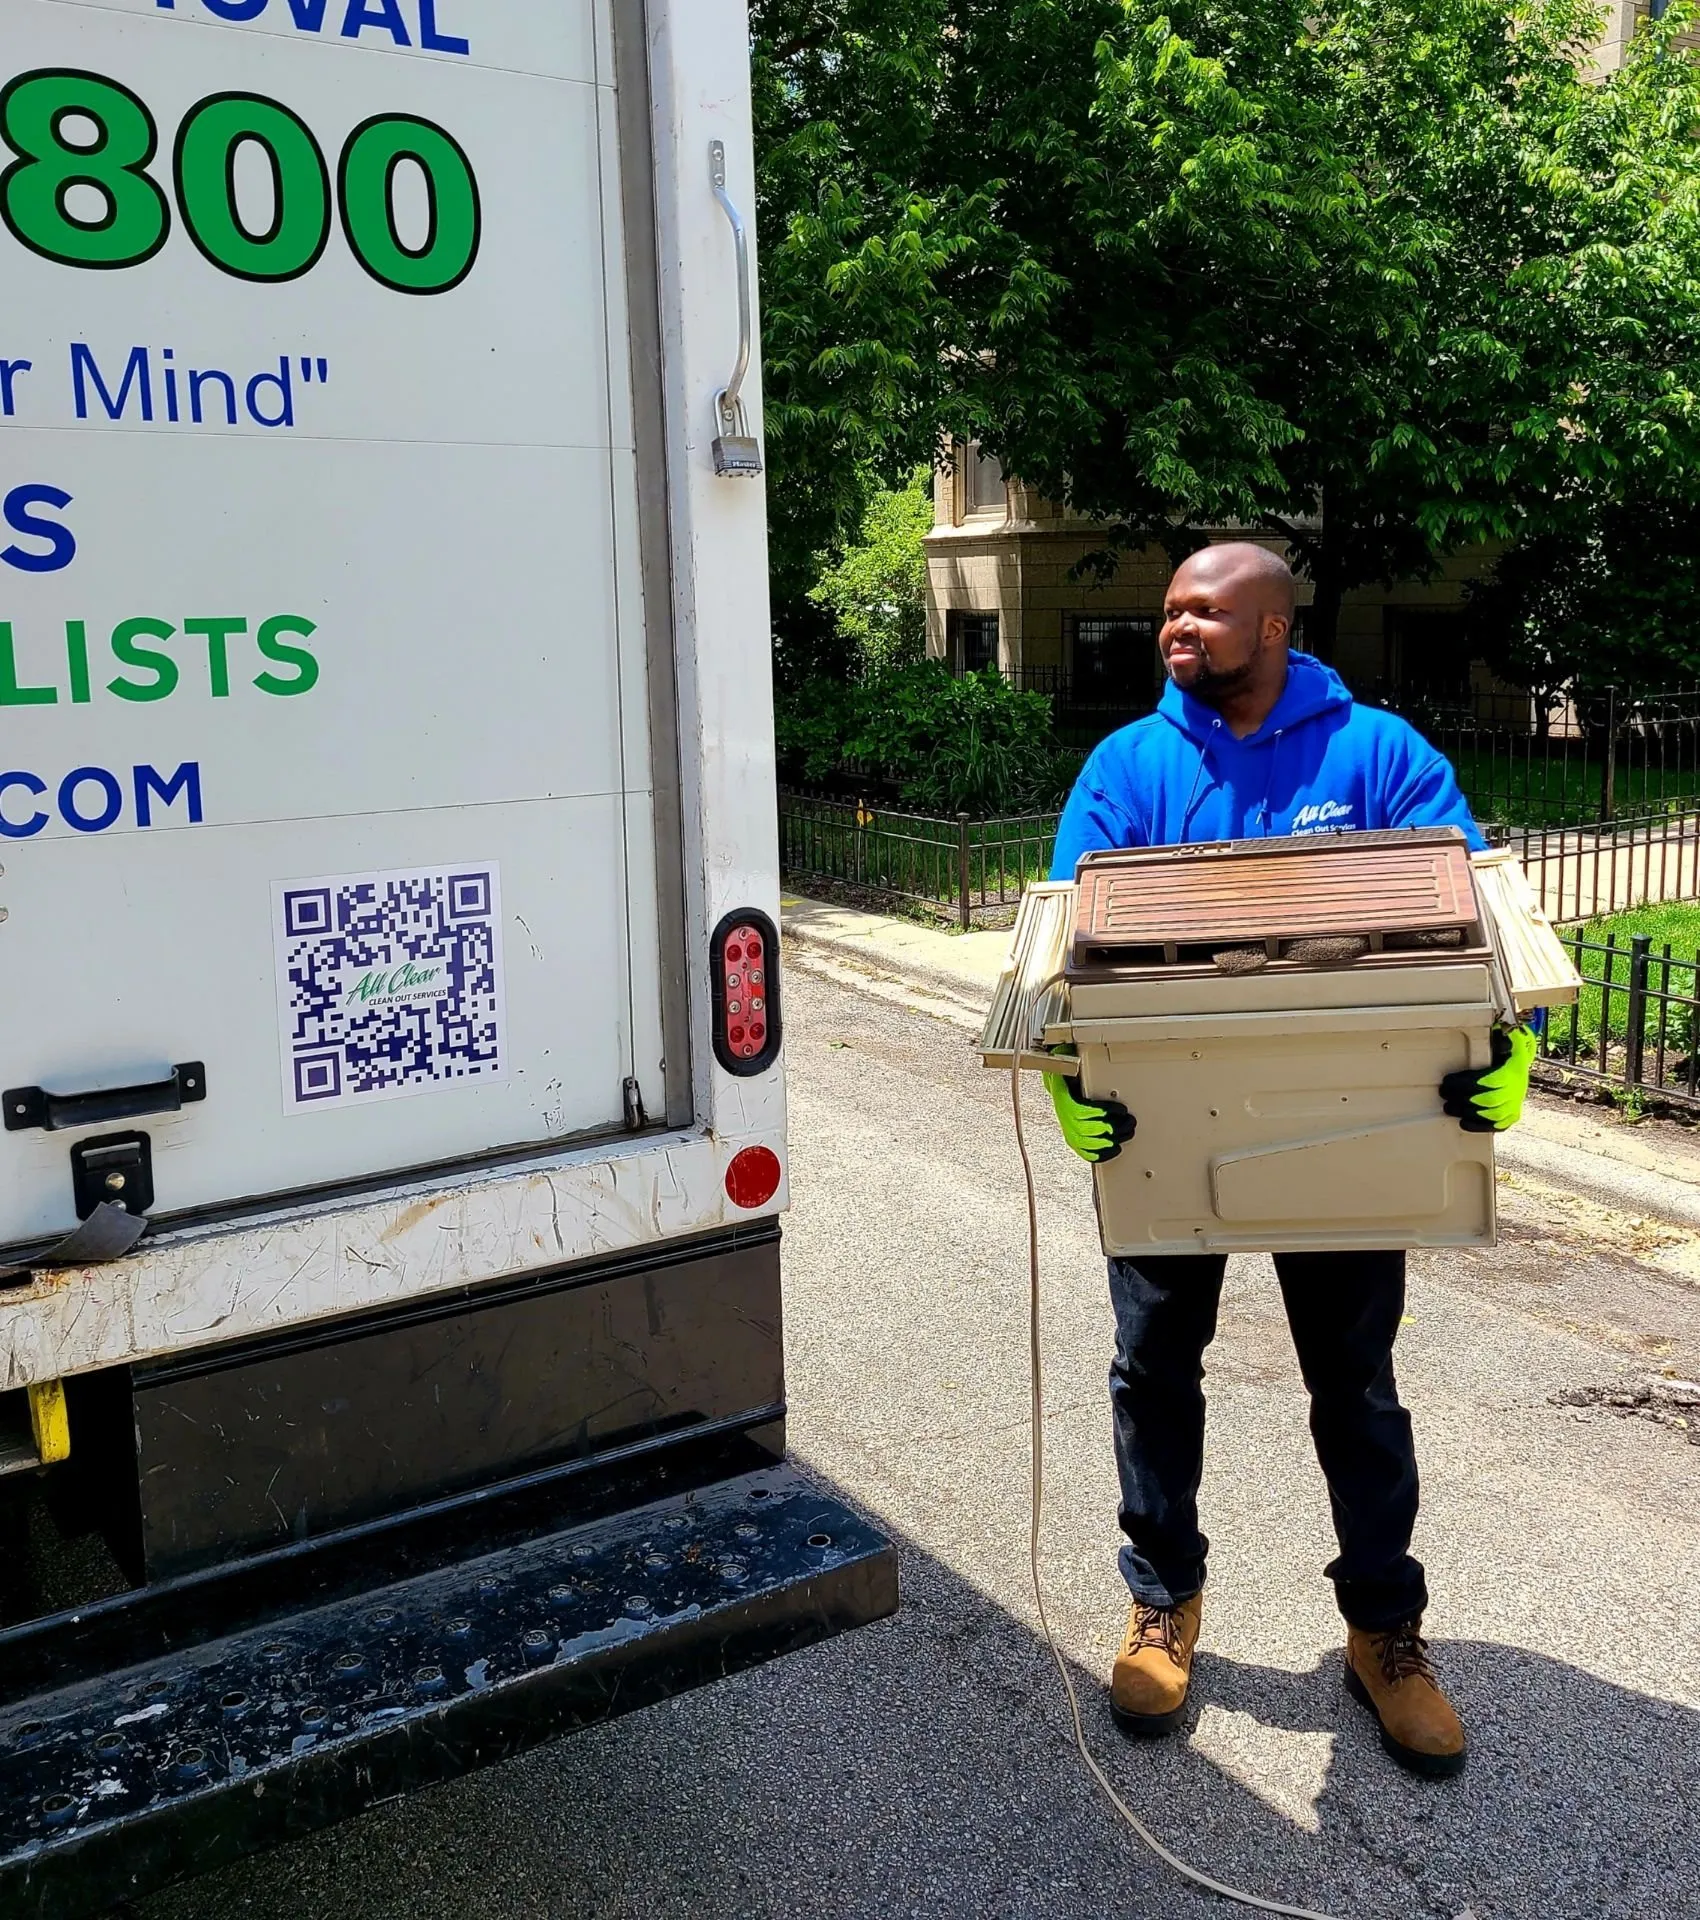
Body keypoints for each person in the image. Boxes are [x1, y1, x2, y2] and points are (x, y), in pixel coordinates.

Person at [1045, 542, 1535, 1779]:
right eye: (1167, 611)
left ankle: (1384, 1634)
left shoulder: (1373, 756)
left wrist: (1509, 1047)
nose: (1175, 629)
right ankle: (1163, 1605)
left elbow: (1479, 914)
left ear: (1272, 625)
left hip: (1343, 1132)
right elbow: (1057, 949)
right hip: (1167, 1135)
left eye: (1202, 613)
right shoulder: (1128, 768)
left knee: (1354, 1392)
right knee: (1150, 1373)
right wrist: (1066, 1080)